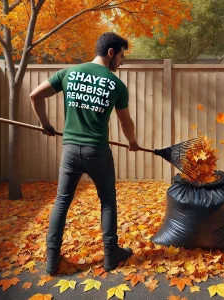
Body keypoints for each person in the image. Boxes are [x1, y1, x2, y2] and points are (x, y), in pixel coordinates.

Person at [30, 32, 139, 275]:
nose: (121, 62)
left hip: (70, 151)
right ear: (111, 53)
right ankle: (111, 255)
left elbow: (35, 95)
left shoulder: (69, 73)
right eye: (121, 56)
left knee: (61, 202)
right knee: (108, 201)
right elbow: (125, 122)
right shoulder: (117, 85)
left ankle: (51, 260)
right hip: (97, 151)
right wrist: (132, 142)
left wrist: (45, 124)